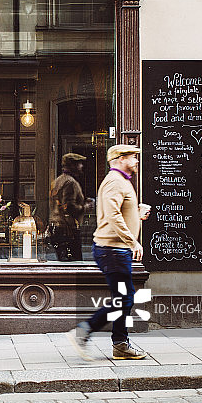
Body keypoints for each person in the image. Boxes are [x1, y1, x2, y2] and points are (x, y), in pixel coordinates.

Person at [67, 144, 150, 360]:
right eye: (133, 156)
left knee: (123, 297)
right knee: (124, 298)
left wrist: (136, 213)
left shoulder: (120, 181)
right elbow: (112, 217)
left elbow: (117, 212)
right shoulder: (115, 181)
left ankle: (120, 344)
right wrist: (133, 242)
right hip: (112, 251)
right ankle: (84, 331)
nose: (137, 160)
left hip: (115, 250)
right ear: (121, 158)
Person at [49, 153, 88, 261]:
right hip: (67, 229)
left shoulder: (58, 181)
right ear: (72, 165)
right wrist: (85, 207)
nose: (81, 166)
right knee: (75, 263)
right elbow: (69, 206)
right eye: (79, 164)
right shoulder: (70, 182)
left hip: (57, 226)